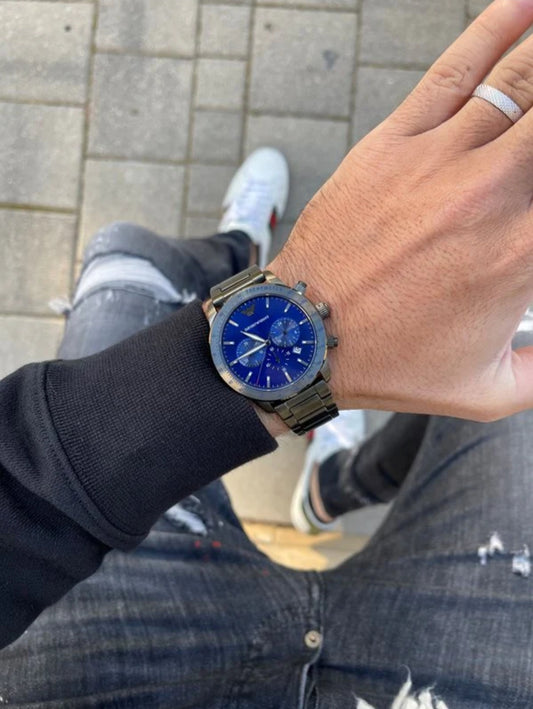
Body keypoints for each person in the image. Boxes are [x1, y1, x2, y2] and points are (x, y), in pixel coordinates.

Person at [2, 0, 533, 706]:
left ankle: (241, 254)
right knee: (513, 365)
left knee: (124, 265)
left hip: (68, 594)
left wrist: (302, 293)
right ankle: (334, 475)